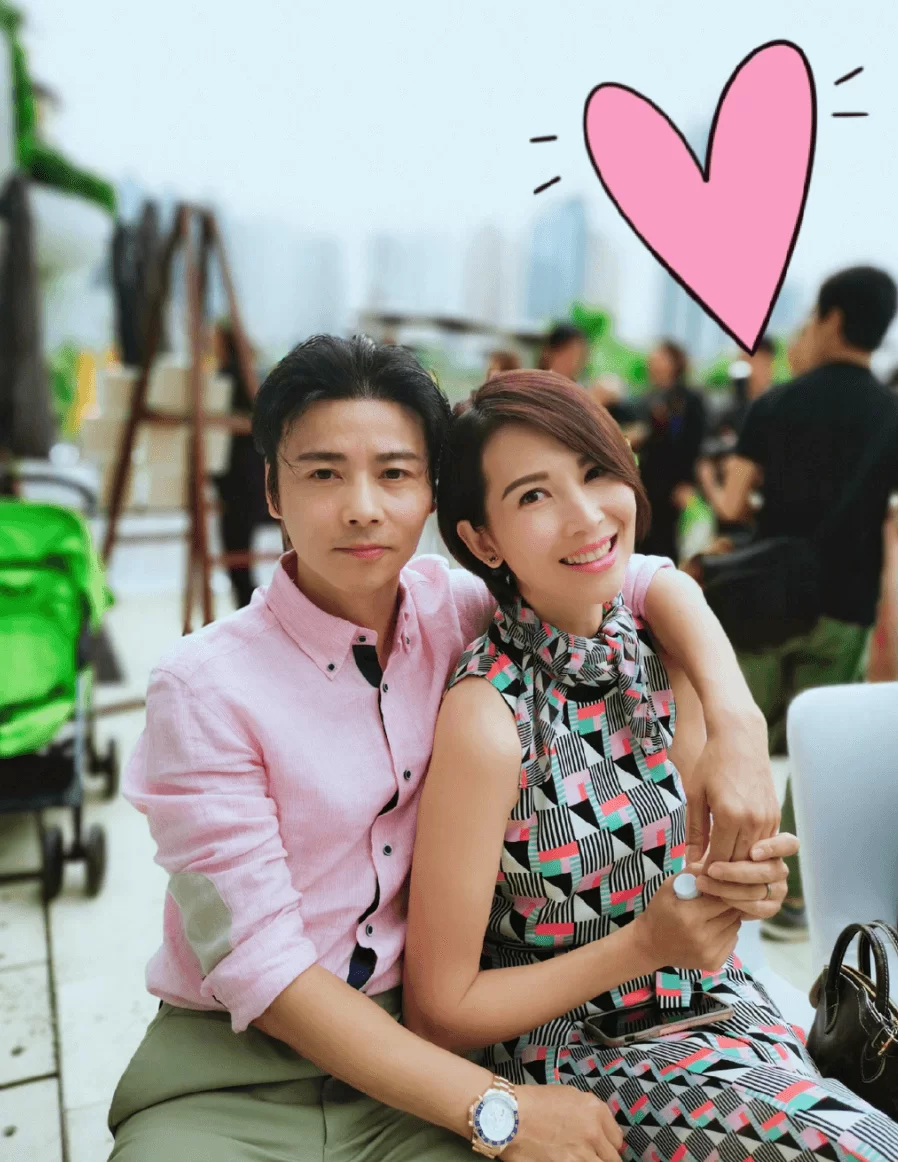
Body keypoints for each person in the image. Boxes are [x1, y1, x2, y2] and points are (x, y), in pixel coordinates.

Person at [106, 335, 775, 1162]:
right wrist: (500, 1111)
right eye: (324, 474)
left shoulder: (452, 606)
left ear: (429, 491)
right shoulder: (203, 688)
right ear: (273, 488)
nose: (363, 507)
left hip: (424, 1056)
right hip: (233, 1072)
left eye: (394, 473)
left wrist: (739, 720)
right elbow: (266, 973)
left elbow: (636, 575)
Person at [403, 370, 898, 1162]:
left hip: (718, 1011)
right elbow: (440, 1008)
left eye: (595, 471)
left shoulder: (657, 652)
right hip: (577, 1053)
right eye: (535, 495)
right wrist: (645, 946)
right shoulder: (488, 715)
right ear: (483, 541)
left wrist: (742, 890)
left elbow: (692, 882)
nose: (587, 514)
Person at [698, 266, 898, 940]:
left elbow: (731, 503)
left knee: (737, 738)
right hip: (846, 606)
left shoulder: (778, 403)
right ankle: (788, 902)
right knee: (812, 758)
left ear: (833, 318)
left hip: (766, 602)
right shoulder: (892, 415)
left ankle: (713, 882)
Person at [211, 320, 274, 608]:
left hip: (240, 476)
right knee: (241, 550)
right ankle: (251, 606)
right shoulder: (254, 374)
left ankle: (247, 607)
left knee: (235, 550)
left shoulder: (229, 376)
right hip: (254, 473)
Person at [635, 340, 706, 561]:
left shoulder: (689, 398)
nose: (654, 362)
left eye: (660, 357)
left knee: (667, 540)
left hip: (674, 483)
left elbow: (694, 442)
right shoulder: (648, 397)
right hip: (648, 480)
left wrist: (687, 482)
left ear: (675, 362)